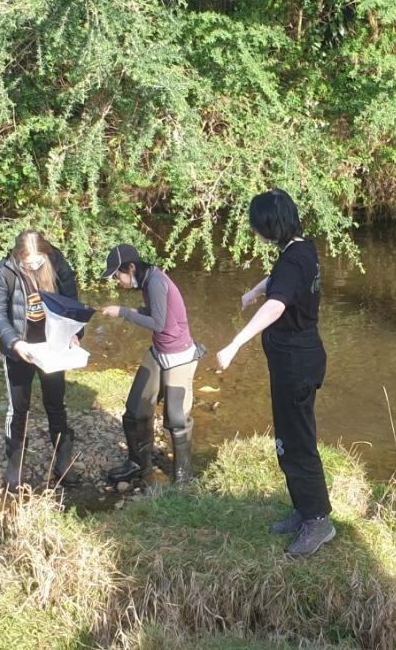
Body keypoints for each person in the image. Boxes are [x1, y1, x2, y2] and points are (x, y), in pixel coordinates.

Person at [215, 189, 334, 557]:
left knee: (297, 443)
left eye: (256, 227)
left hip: (296, 366)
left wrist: (235, 344)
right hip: (297, 360)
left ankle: (319, 522)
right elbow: (282, 282)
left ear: (271, 225)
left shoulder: (292, 261)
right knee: (289, 438)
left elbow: (278, 305)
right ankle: (303, 509)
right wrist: (255, 289)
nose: (254, 233)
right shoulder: (301, 249)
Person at [0, 230, 83, 493]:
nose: (34, 265)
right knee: (18, 409)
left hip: (52, 347)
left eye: (39, 260)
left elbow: (72, 304)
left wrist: (74, 334)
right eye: (29, 262)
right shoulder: (2, 272)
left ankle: (63, 464)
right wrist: (14, 343)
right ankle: (14, 469)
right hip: (20, 349)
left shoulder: (58, 263)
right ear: (18, 256)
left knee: (56, 404)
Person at [100, 244, 202, 485]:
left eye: (117, 275)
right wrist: (129, 310)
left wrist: (124, 311)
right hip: (159, 351)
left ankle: (182, 478)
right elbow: (156, 313)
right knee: (135, 410)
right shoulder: (147, 280)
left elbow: (157, 323)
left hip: (179, 356)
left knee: (176, 419)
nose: (116, 280)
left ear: (132, 267)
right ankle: (138, 465)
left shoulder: (156, 281)